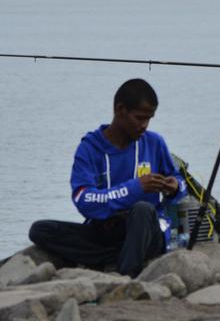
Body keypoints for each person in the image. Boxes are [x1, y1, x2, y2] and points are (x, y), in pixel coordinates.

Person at [29, 79, 184, 276]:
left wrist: (174, 187)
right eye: (139, 118)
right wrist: (135, 188)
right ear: (120, 110)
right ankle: (115, 257)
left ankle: (124, 274)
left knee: (143, 210)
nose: (145, 125)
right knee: (40, 230)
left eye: (149, 119)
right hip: (107, 231)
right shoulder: (89, 149)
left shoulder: (155, 143)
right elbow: (84, 199)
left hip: (147, 231)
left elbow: (180, 181)